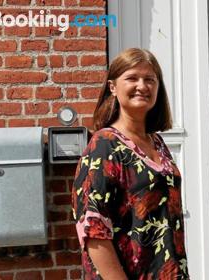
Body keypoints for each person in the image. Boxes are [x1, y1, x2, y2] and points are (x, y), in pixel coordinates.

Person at [72, 48, 189, 280]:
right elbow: (93, 229)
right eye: (132, 78)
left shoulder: (157, 143)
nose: (142, 86)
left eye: (150, 79)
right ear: (113, 87)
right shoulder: (104, 145)